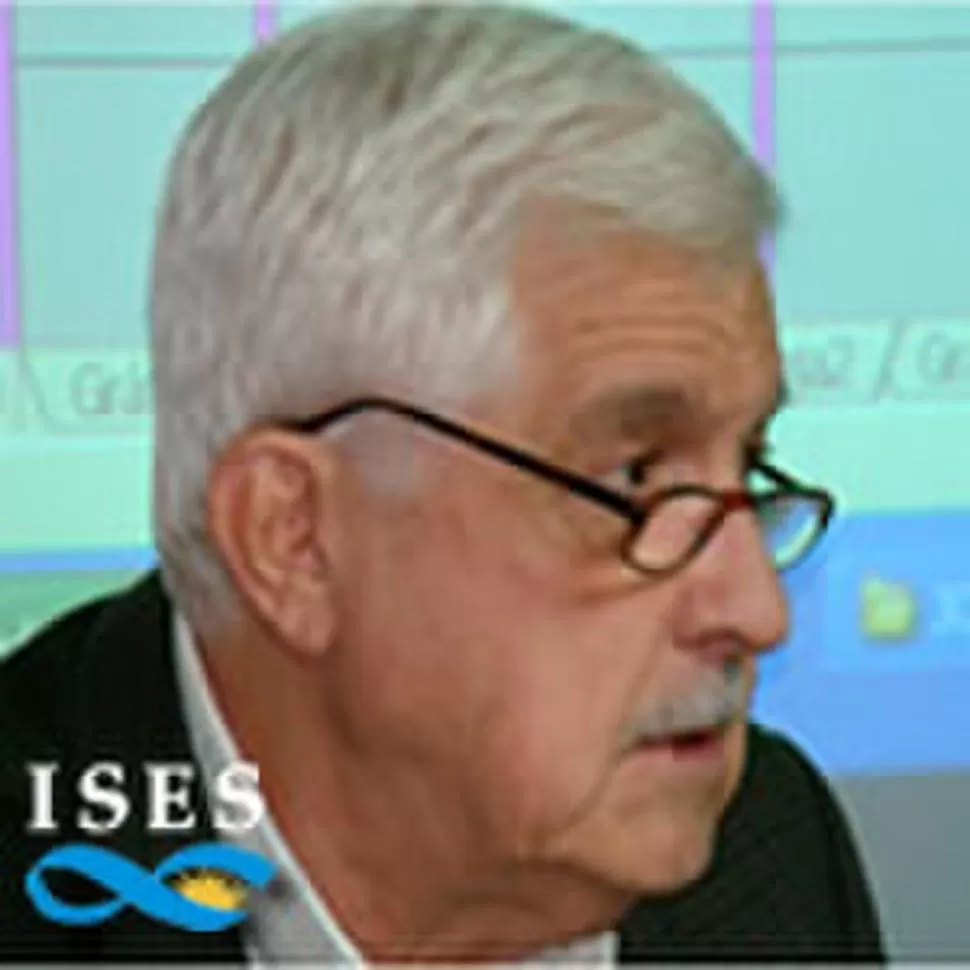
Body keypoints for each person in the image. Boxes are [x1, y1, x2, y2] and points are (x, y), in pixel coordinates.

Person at [0, 4, 885, 963]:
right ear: (295, 540)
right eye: (634, 481)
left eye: (746, 464)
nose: (758, 611)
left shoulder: (765, 851)